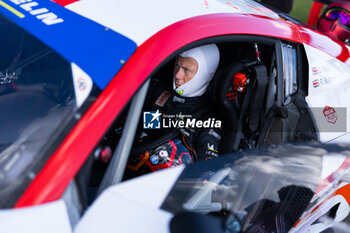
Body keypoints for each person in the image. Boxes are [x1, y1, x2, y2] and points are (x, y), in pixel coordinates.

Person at [134, 44, 222, 170]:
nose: (177, 75)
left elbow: (205, 172)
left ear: (205, 74)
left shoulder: (208, 119)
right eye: (177, 66)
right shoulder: (159, 92)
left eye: (186, 70)